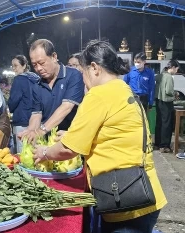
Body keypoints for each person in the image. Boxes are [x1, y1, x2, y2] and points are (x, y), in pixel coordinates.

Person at [33, 40, 167, 233]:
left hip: (125, 199)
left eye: (83, 73)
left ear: (94, 68)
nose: (83, 80)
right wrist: (72, 135)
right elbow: (113, 131)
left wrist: (45, 152)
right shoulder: (122, 89)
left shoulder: (99, 94)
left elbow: (67, 150)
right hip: (145, 191)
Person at [18, 39, 85, 143]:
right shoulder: (37, 85)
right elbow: (36, 114)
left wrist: (41, 130)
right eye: (34, 65)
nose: (38, 68)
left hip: (69, 140)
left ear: (54, 57)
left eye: (42, 63)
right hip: (47, 143)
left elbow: (66, 107)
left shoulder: (73, 75)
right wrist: (30, 132)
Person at [8, 55, 40, 153]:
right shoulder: (36, 78)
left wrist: (10, 108)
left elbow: (13, 100)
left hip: (22, 120)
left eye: (16, 65)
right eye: (12, 66)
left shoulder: (19, 79)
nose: (13, 68)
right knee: (35, 149)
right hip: (36, 120)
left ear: (24, 65)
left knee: (23, 151)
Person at [154, 60, 180, 154]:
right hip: (166, 102)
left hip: (158, 101)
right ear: (173, 67)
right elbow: (169, 91)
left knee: (159, 122)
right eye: (176, 69)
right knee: (167, 124)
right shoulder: (169, 77)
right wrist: (175, 93)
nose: (176, 71)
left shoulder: (161, 75)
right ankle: (164, 146)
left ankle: (157, 143)